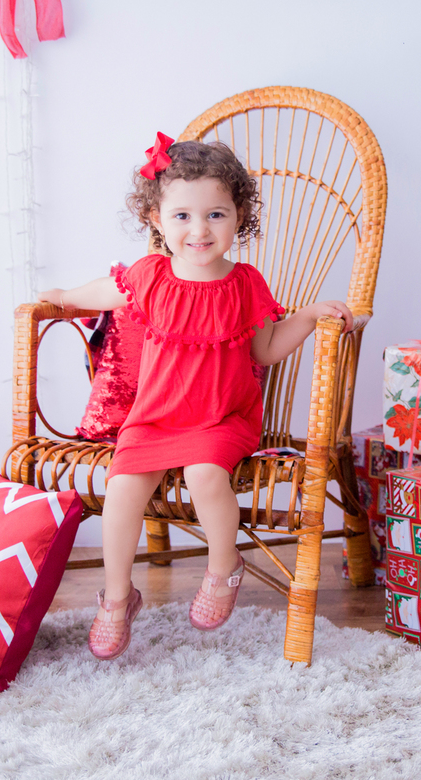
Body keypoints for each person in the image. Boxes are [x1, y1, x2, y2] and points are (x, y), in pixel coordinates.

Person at [38, 133, 353, 660]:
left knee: (205, 476)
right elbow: (104, 292)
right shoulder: (149, 275)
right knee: (122, 489)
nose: (200, 229)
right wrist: (65, 297)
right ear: (157, 220)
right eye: (182, 216)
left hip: (221, 418)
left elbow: (266, 348)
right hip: (154, 418)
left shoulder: (245, 284)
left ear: (238, 217)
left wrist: (308, 315)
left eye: (215, 215)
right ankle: (117, 598)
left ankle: (224, 565)